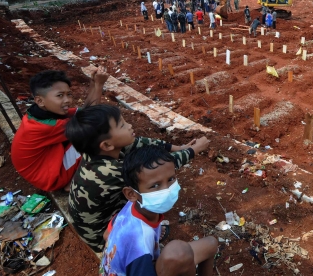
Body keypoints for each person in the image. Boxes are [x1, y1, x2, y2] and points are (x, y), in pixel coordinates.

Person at [66, 104, 210, 253]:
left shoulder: (97, 151)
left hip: (95, 219)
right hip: (101, 236)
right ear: (107, 144)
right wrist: (194, 150)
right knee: (146, 192)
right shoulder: (108, 172)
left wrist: (178, 148)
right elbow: (159, 169)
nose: (129, 126)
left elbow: (138, 143)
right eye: (122, 125)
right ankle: (144, 235)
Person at [100, 145, 218, 276]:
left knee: (211, 244)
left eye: (171, 179)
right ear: (131, 193)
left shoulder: (132, 205)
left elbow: (107, 234)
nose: (166, 190)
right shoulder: (139, 245)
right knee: (178, 252)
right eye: (155, 185)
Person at [11, 68, 108, 192]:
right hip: (51, 178)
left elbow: (85, 113)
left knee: (87, 127)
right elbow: (92, 120)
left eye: (69, 94)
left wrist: (93, 83)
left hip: (45, 165)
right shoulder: (47, 126)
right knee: (95, 135)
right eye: (60, 95)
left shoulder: (41, 113)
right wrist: (99, 85)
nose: (67, 100)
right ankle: (74, 180)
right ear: (40, 100)